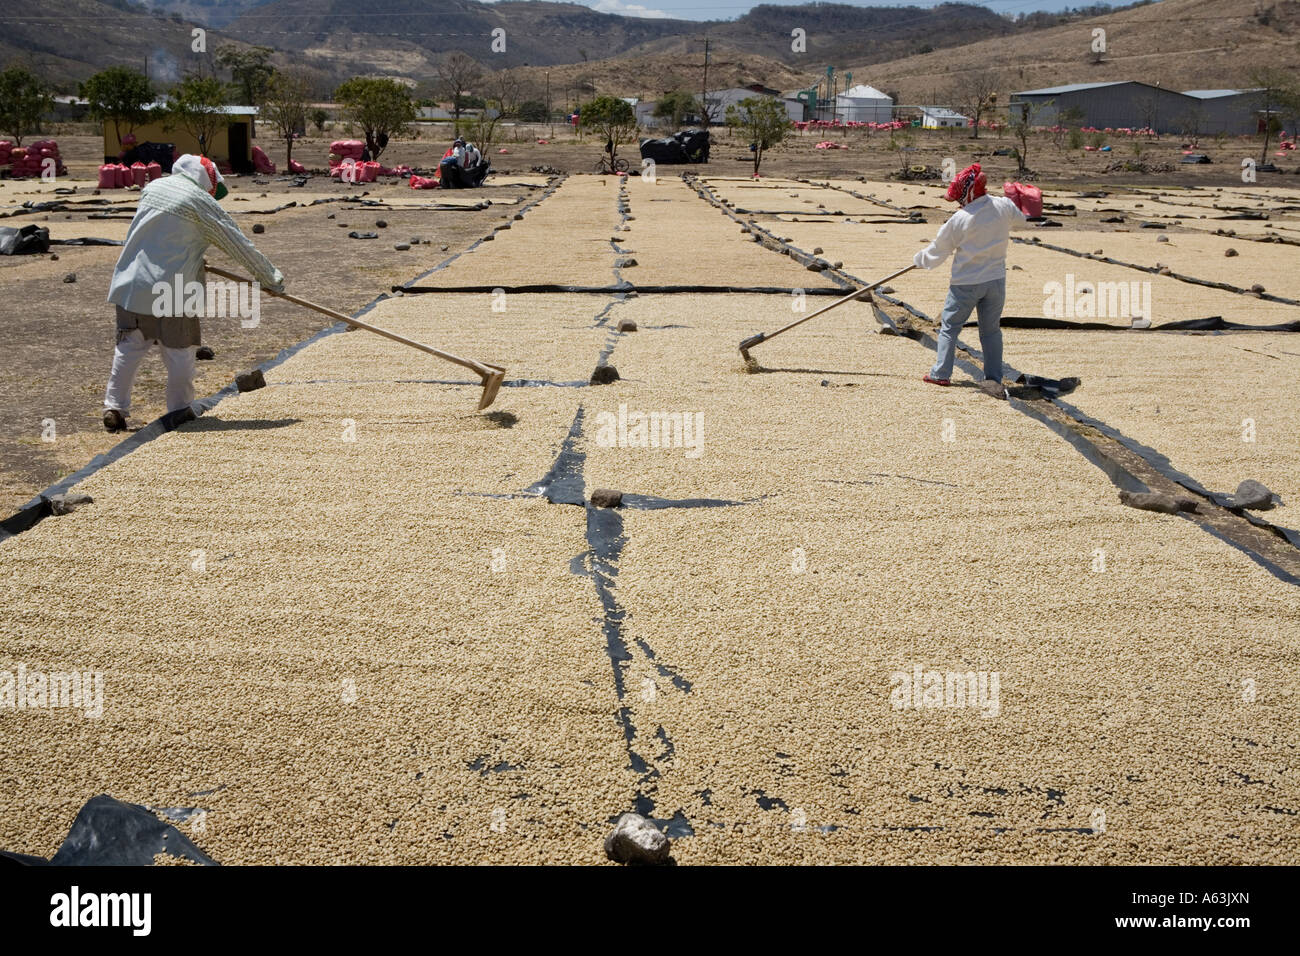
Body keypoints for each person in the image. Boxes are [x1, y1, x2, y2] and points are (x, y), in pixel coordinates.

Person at [103, 154, 284, 432]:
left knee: (130, 347)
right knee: (180, 352)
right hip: (171, 291)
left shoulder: (153, 188)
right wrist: (270, 279)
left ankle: (114, 407)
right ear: (206, 180)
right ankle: (179, 410)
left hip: (131, 284)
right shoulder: (200, 203)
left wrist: (195, 258)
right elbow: (238, 244)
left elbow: (161, 238)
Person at [912, 162, 1026, 393]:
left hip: (965, 284)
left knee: (950, 327)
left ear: (967, 193)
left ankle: (941, 373)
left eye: (958, 197)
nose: (957, 202)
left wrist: (919, 260)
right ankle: (993, 376)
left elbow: (937, 252)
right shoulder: (1003, 205)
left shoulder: (960, 219)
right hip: (995, 281)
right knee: (991, 330)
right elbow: (1021, 221)